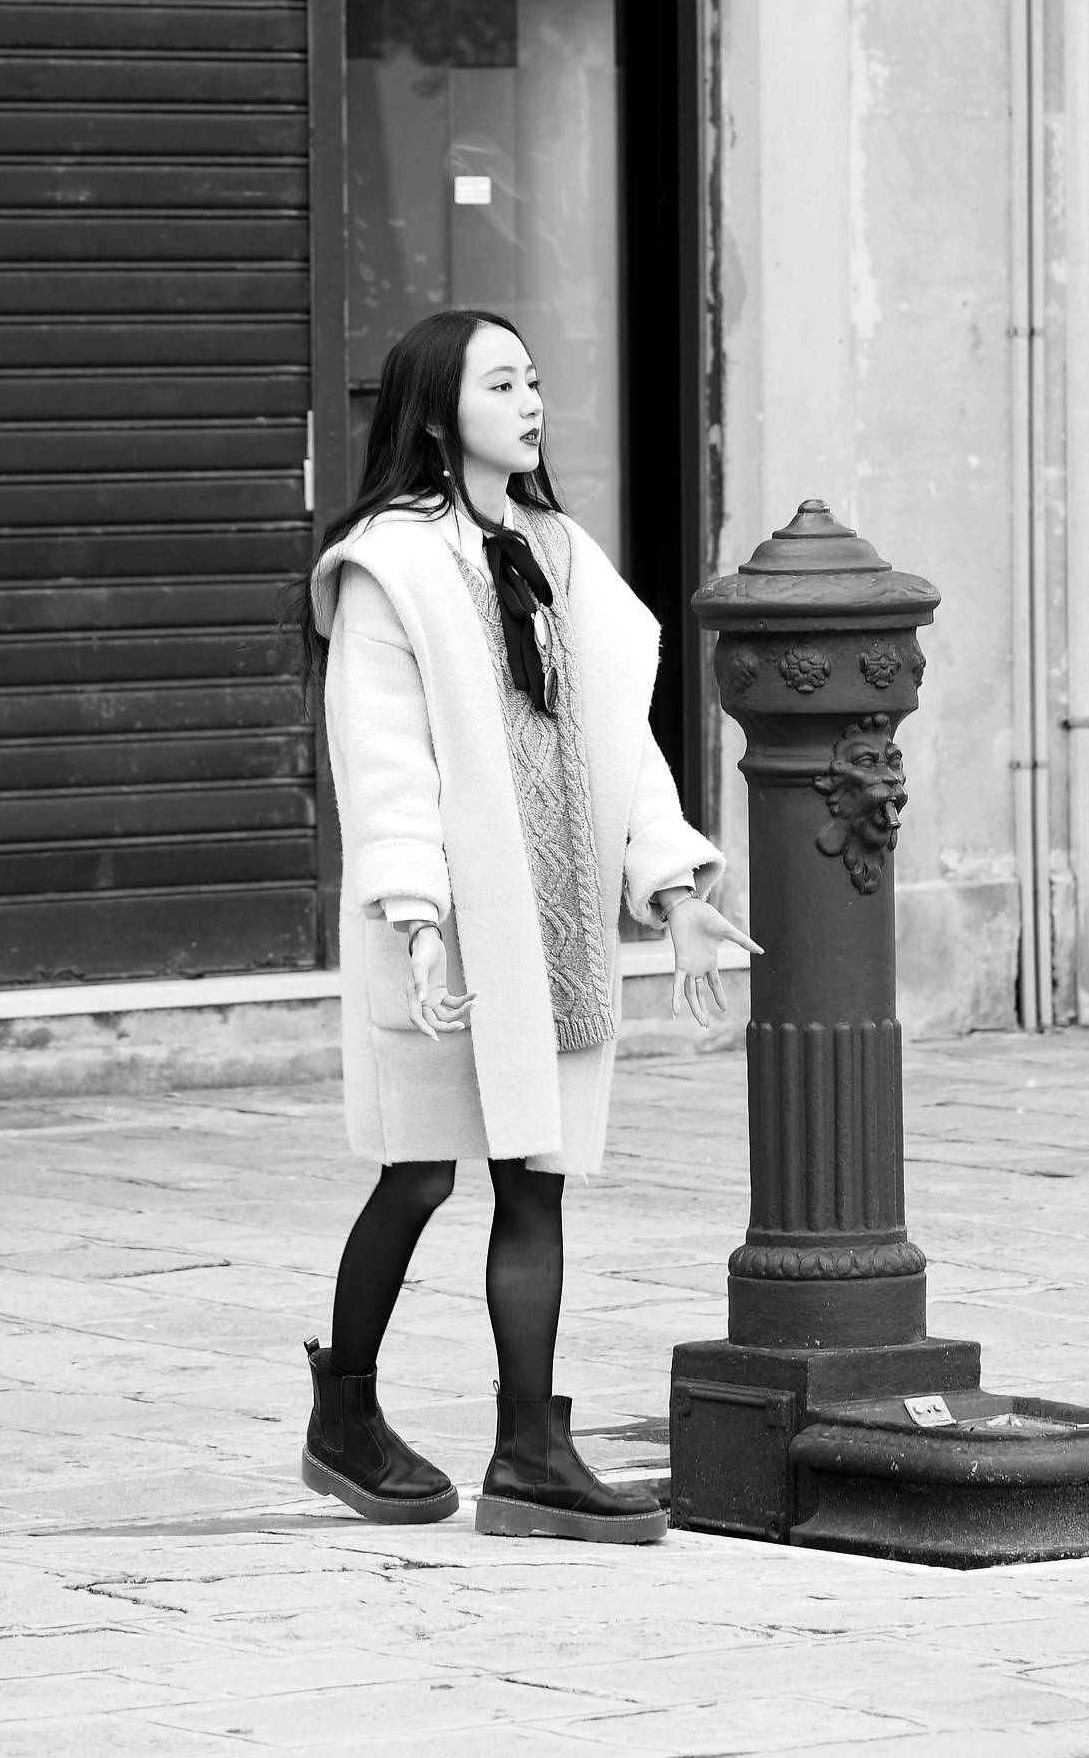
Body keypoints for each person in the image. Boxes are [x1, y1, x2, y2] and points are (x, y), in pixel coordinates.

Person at [288, 308, 756, 1542]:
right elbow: (381, 759)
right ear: (439, 414)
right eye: (503, 383)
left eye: (535, 379)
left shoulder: (557, 546)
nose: (532, 400)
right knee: (417, 1173)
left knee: (535, 1180)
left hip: (553, 921)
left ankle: (532, 1451)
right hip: (446, 920)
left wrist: (673, 891)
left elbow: (618, 737)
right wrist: (415, 915)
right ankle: (344, 1417)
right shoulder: (391, 563)